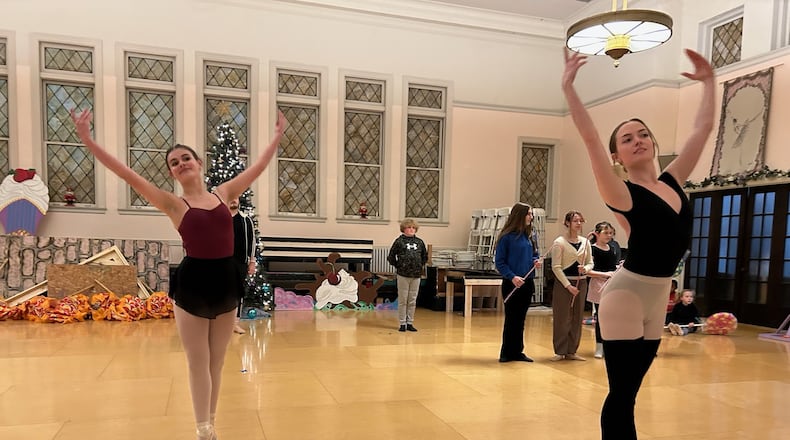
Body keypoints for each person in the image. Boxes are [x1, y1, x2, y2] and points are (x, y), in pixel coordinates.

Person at [70, 108, 286, 440]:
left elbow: (257, 168)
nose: (181, 163)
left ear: (199, 164)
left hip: (226, 282)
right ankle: (202, 431)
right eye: (174, 162)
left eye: (186, 158)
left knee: (217, 361)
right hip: (193, 285)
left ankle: (210, 423)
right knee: (197, 361)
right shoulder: (173, 204)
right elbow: (127, 174)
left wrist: (276, 138)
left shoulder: (224, 193)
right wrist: (87, 139)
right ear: (173, 173)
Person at [562, 47, 715, 440]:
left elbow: (701, 132)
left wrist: (710, 83)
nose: (638, 140)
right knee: (622, 393)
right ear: (618, 155)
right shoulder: (621, 191)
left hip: (658, 295)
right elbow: (590, 137)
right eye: (627, 138)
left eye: (643, 133)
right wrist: (569, 87)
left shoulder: (672, 181)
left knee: (630, 393)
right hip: (626, 294)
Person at [494, 202, 541, 363]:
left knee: (521, 319)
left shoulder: (531, 235)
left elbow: (535, 254)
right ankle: (506, 352)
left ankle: (517, 351)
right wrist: (512, 276)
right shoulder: (506, 237)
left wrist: (536, 261)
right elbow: (499, 262)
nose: (531, 217)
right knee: (511, 319)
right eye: (529, 214)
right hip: (511, 282)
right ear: (520, 215)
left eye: (532, 214)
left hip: (527, 282)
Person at [550, 210, 593, 361]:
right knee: (562, 317)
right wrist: (568, 286)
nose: (579, 224)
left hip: (581, 282)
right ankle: (560, 350)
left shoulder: (586, 242)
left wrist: (586, 269)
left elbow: (590, 262)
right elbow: (556, 267)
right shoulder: (559, 242)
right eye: (575, 221)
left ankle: (572, 351)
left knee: (577, 317)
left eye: (580, 221)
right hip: (564, 284)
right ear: (568, 223)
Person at [387, 218, 428, 332]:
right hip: (403, 275)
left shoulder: (420, 242)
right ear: (403, 229)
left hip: (416, 275)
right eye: (409, 227)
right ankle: (402, 323)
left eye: (413, 228)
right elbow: (391, 257)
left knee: (412, 300)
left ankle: (410, 322)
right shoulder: (399, 242)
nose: (411, 229)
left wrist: (419, 266)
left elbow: (424, 256)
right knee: (403, 299)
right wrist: (399, 266)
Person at [587, 221, 620, 359]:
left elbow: (613, 265)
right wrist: (605, 274)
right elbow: (588, 271)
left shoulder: (612, 248)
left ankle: (610, 345)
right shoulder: (592, 249)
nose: (609, 235)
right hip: (598, 285)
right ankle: (599, 346)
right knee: (601, 317)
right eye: (605, 233)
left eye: (611, 233)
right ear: (597, 234)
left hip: (612, 284)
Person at [229, 197, 256, 335]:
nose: (233, 200)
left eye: (235, 198)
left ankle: (234, 323)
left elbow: (252, 242)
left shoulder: (246, 220)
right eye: (230, 197)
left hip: (240, 262)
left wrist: (252, 261)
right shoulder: (219, 218)